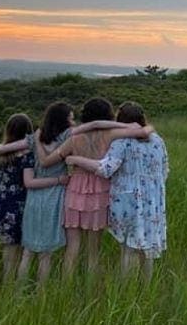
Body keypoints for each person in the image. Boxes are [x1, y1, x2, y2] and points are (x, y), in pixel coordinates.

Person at [35, 97, 150, 277]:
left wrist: (36, 141)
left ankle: (65, 290)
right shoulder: (111, 135)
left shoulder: (74, 138)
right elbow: (141, 131)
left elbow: (47, 162)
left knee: (72, 249)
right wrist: (115, 125)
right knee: (93, 252)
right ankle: (91, 289)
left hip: (74, 190)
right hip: (100, 190)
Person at [66, 102, 168, 281]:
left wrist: (76, 159)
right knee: (146, 248)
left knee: (128, 248)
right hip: (153, 201)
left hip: (128, 201)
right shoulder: (157, 139)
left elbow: (105, 169)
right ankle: (146, 287)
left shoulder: (121, 143)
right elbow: (165, 169)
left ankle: (126, 291)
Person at [16, 102, 74, 285]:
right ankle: (42, 294)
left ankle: (18, 292)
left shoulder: (35, 138)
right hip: (54, 196)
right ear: (63, 119)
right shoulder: (67, 137)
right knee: (45, 254)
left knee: (28, 251)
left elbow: (10, 147)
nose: (73, 121)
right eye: (71, 117)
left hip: (34, 197)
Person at [0, 113, 33, 284]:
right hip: (16, 206)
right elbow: (27, 182)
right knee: (11, 259)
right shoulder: (28, 155)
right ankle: (7, 295)